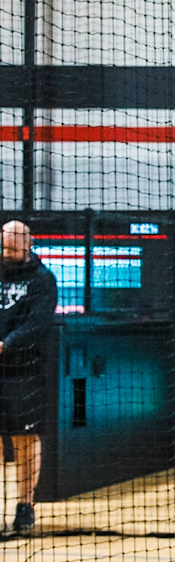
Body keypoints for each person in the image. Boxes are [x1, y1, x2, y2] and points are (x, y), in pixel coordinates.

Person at [0, 219, 59, 535]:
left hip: (24, 369)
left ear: (28, 244)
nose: (7, 253)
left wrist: (7, 344)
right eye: (3, 246)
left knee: (25, 438)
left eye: (13, 247)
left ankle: (25, 506)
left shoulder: (42, 280)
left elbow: (38, 323)